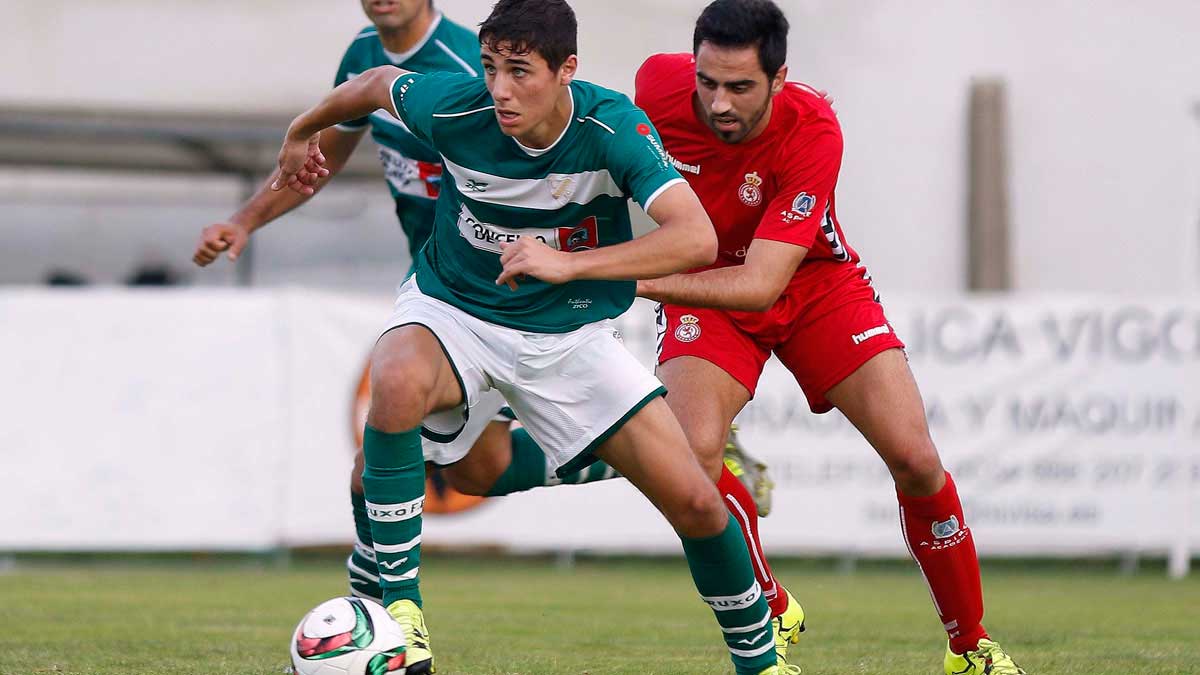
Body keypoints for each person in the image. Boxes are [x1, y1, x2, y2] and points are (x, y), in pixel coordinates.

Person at [247, 1, 787, 672]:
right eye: (491, 67)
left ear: (567, 70)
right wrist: (303, 129)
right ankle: (403, 616)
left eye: (520, 72)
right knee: (393, 381)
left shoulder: (610, 126)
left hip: (566, 333)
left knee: (697, 502)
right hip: (455, 311)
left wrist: (569, 263)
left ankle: (761, 663)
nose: (500, 89)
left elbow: (695, 236)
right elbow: (374, 84)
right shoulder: (454, 106)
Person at [190, 0, 636, 609]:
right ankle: (381, 614)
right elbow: (319, 162)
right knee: (468, 471)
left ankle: (379, 613)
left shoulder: (472, 65)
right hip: (444, 291)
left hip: (505, 292)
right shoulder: (365, 57)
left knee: (395, 467)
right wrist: (244, 221)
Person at [633, 1, 1027, 673]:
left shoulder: (814, 129)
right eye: (708, 83)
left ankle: (969, 647)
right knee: (691, 454)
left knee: (915, 458)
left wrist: (629, 282)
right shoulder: (652, 86)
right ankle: (768, 602)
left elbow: (762, 283)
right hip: (705, 281)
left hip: (810, 280)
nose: (719, 103)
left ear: (780, 79)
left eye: (740, 87)